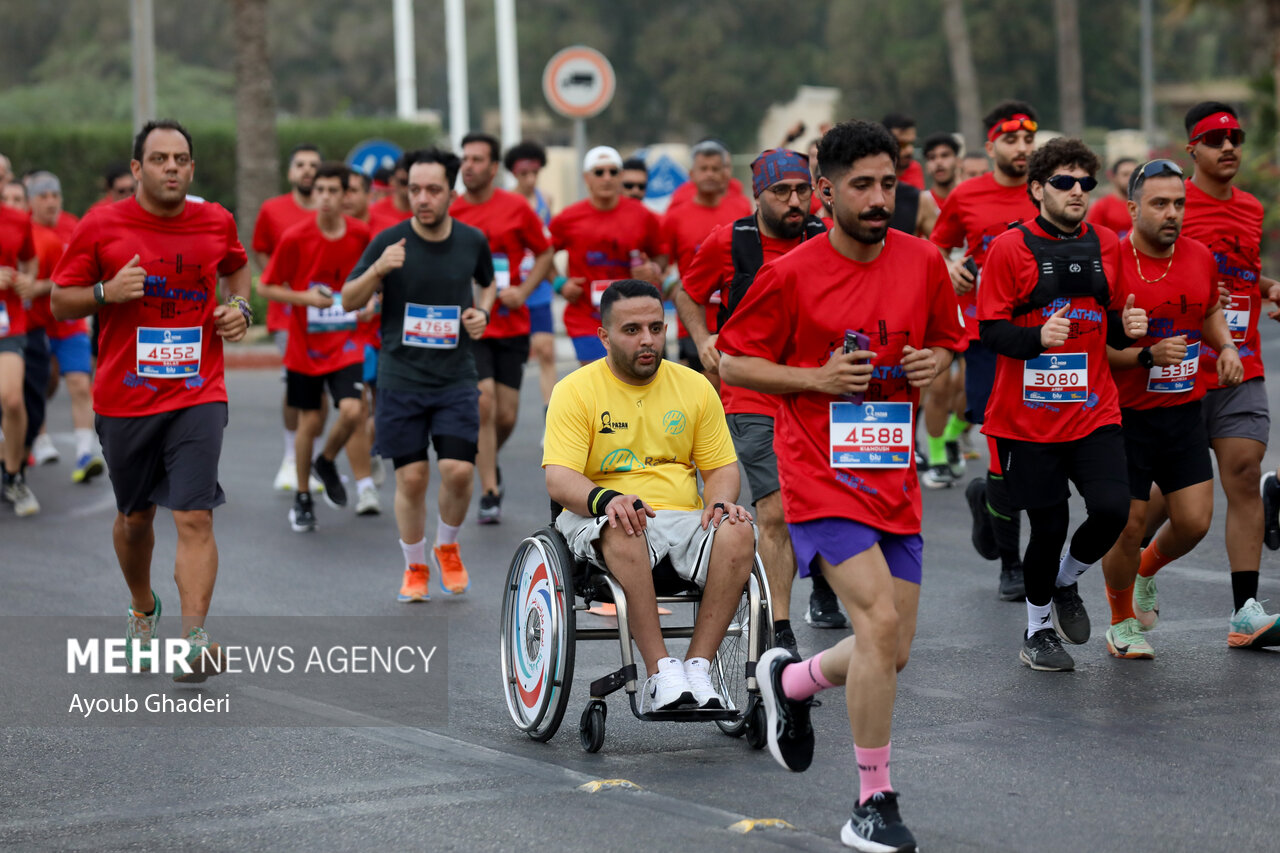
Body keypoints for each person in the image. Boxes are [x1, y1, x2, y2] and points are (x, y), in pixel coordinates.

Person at [719, 119, 964, 853]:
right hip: (819, 473)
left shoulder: (922, 260)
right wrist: (814, 379)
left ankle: (792, 683)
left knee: (891, 650)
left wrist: (934, 365)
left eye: (889, 183)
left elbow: (948, 342)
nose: (879, 197)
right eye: (862, 185)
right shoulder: (791, 273)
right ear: (825, 192)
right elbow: (734, 362)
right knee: (877, 627)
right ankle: (872, 800)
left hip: (893, 474)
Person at [51, 119, 253, 680]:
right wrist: (104, 293)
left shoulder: (215, 220)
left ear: (191, 167)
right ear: (137, 168)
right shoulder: (102, 224)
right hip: (124, 398)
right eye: (159, 158)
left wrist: (241, 311)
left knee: (194, 516)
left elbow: (238, 268)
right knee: (135, 520)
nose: (172, 167)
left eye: (181, 159)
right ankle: (143, 606)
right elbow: (58, 302)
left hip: (198, 391)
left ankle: (195, 641)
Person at [543, 278, 754, 712]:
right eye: (632, 330)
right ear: (604, 336)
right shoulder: (575, 390)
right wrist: (608, 500)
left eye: (656, 328)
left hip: (679, 517)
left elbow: (720, 469)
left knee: (737, 528)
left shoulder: (695, 387)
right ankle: (660, 673)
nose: (648, 341)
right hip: (596, 516)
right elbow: (560, 479)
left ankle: (698, 669)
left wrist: (718, 500)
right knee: (624, 524)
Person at [978, 137, 1148, 672]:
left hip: (1094, 409)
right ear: (1036, 189)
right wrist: (1036, 339)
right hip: (1025, 420)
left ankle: (1065, 580)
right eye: (1064, 182)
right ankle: (1036, 632)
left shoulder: (1108, 243)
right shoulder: (1009, 248)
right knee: (1047, 528)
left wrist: (1130, 329)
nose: (1077, 191)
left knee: (1114, 511)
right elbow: (991, 331)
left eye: (1085, 183)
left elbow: (1114, 320)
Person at [676, 148, 830, 656]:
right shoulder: (730, 242)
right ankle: (779, 629)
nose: (793, 201)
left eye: (801, 190)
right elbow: (687, 293)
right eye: (780, 192)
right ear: (757, 194)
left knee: (827, 501)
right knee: (778, 508)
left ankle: (826, 582)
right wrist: (703, 340)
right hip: (750, 392)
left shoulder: (826, 239)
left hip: (815, 389)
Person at [1099, 159, 1241, 660]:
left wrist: (1225, 347)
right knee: (1129, 523)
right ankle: (1120, 622)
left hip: (1183, 410)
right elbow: (1095, 349)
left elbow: (1209, 311)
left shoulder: (1200, 256)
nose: (1172, 213)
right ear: (1134, 207)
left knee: (1195, 521)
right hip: (1125, 416)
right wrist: (1145, 354)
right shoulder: (1112, 261)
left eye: (1179, 203)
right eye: (1160, 204)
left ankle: (1144, 572)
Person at [342, 148, 494, 603]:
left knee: (458, 471)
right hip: (401, 377)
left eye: (432, 190)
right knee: (410, 479)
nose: (422, 199)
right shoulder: (389, 241)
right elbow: (349, 298)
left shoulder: (471, 240)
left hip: (454, 377)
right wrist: (378, 269)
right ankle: (415, 566)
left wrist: (481, 312)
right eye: (414, 190)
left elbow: (487, 281)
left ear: (452, 192)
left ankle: (447, 544)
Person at [1176, 102, 1280, 647]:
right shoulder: (1172, 202)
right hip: (1180, 368)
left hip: (1243, 362)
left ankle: (1245, 614)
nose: (1229, 147)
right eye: (1215, 139)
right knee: (1162, 505)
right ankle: (1138, 574)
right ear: (1192, 148)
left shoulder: (1250, 207)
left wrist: (1268, 288)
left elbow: (1240, 268)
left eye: (1235, 136)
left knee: (1243, 473)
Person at [930, 100, 1041, 601]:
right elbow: (934, 246)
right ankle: (1011, 565)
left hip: (1041, 337)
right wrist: (948, 266)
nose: (1021, 148)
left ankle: (990, 508)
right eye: (1011, 140)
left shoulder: (1049, 192)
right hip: (983, 338)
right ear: (991, 144)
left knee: (1032, 452)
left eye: (1028, 139)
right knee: (1000, 445)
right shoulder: (968, 196)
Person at [261, 161, 379, 529]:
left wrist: (370, 302)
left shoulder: (362, 235)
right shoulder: (296, 237)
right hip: (305, 348)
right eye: (320, 190)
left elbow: (375, 280)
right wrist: (305, 298)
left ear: (347, 196)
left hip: (347, 342)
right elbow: (266, 286)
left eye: (333, 190)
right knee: (310, 422)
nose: (325, 197)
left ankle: (325, 461)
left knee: (352, 411)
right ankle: (302, 496)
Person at [451, 132, 554, 524]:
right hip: (472, 324)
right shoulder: (453, 210)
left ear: (494, 168)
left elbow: (544, 253)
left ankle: (486, 457)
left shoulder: (515, 208)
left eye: (477, 159)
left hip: (512, 323)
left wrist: (524, 291)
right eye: (465, 159)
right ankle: (490, 489)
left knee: (506, 415)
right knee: (484, 402)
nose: (468, 166)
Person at [549, 146, 665, 365]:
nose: (607, 178)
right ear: (587, 178)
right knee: (599, 380)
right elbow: (543, 254)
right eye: (599, 172)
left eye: (613, 172)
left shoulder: (642, 215)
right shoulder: (569, 217)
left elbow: (661, 257)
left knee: (630, 384)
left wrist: (652, 269)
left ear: (621, 176)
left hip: (633, 318)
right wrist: (560, 284)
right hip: (585, 317)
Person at [253, 143, 323, 493]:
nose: (307, 170)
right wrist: (279, 281)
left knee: (323, 390)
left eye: (314, 165)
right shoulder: (273, 210)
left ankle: (312, 457)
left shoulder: (330, 212)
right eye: (301, 165)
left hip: (330, 317)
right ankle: (290, 457)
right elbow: (261, 249)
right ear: (290, 172)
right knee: (296, 386)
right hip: (288, 315)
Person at [25, 171, 103, 481]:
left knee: (80, 384)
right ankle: (39, 439)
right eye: (42, 196)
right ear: (31, 202)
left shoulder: (74, 225)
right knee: (41, 384)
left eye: (54, 195)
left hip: (69, 324)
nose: (50, 202)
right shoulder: (24, 231)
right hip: (36, 325)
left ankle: (86, 452)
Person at [659, 140, 751, 380]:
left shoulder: (741, 209)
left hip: (735, 320)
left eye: (715, 168)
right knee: (701, 397)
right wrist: (670, 285)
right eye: (704, 168)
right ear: (692, 174)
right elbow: (660, 265)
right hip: (693, 323)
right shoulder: (675, 217)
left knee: (733, 398)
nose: (710, 174)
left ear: (725, 173)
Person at [503, 141, 558, 416]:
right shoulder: (505, 201)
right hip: (512, 285)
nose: (530, 179)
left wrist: (556, 278)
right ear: (514, 173)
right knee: (516, 352)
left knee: (546, 350)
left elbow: (549, 243)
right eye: (523, 173)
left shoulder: (546, 200)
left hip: (539, 286)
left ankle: (550, 415)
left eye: (534, 172)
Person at [0, 180, 38, 515]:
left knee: (12, 398)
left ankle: (13, 475)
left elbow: (30, 262)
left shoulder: (17, 221)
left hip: (8, 323)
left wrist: (27, 281)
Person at [1086, 157, 1137, 237]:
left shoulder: (1143, 205)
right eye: (1125, 174)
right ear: (1113, 177)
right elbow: (1092, 238)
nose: (1130, 179)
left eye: (1134, 175)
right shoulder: (1101, 207)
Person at [368, 155, 413, 232]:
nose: (407, 188)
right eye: (403, 182)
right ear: (392, 181)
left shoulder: (424, 213)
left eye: (412, 183)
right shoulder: (373, 212)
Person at [882, 112, 926, 190]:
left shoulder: (915, 168)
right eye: (901, 144)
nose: (909, 151)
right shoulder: (876, 173)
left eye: (912, 143)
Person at [922, 132, 961, 208]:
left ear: (958, 161)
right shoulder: (919, 205)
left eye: (945, 155)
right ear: (927, 166)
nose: (938, 162)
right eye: (932, 157)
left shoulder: (970, 200)